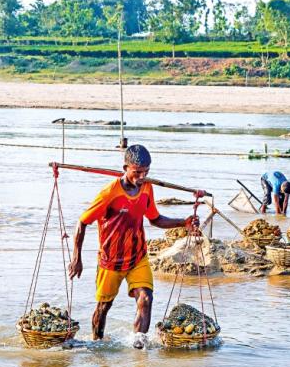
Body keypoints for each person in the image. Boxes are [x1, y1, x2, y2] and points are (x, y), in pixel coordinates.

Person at [68, 145, 198, 349]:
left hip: (138, 257)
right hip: (110, 260)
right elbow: (82, 222)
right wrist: (77, 258)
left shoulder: (147, 188)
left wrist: (184, 222)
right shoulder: (109, 193)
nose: (142, 176)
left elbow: (155, 219)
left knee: (146, 299)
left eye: (146, 172)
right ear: (125, 168)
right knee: (103, 307)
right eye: (137, 172)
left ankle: (139, 347)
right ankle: (97, 344)